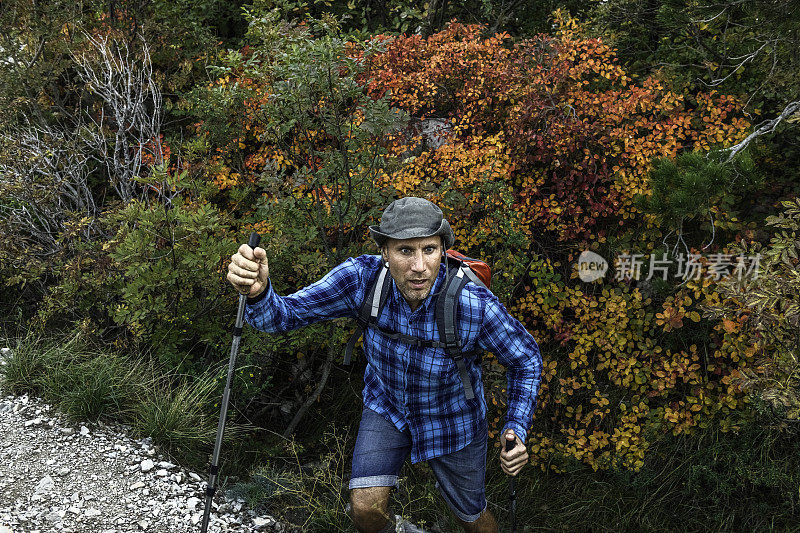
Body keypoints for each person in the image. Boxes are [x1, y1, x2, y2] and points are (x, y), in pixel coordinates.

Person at [227, 197, 542, 533]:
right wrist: (260, 292)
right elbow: (283, 316)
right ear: (385, 253)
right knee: (365, 510)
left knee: (472, 517)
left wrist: (516, 426)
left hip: (453, 419)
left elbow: (526, 359)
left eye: (430, 250)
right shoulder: (360, 280)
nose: (420, 266)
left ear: (442, 251)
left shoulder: (472, 305)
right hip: (387, 406)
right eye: (405, 251)